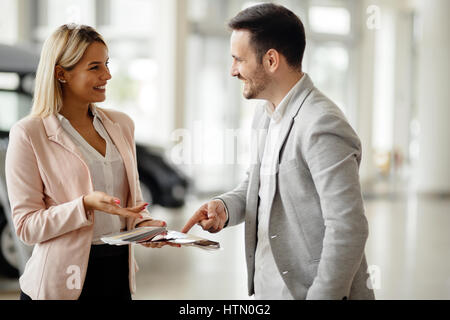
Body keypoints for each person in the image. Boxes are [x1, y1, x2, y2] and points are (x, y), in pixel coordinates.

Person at [182, 3, 375, 300]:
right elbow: (258, 187)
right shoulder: (265, 114)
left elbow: (348, 227)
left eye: (238, 60)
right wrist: (225, 207)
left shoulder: (322, 123)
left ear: (271, 60)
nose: (232, 71)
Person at [5, 24, 177, 300]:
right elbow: (27, 227)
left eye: (106, 64)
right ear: (61, 73)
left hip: (117, 276)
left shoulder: (122, 125)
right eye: (95, 67)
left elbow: (133, 206)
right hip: (58, 285)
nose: (107, 75)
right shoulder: (29, 133)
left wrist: (144, 226)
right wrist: (83, 205)